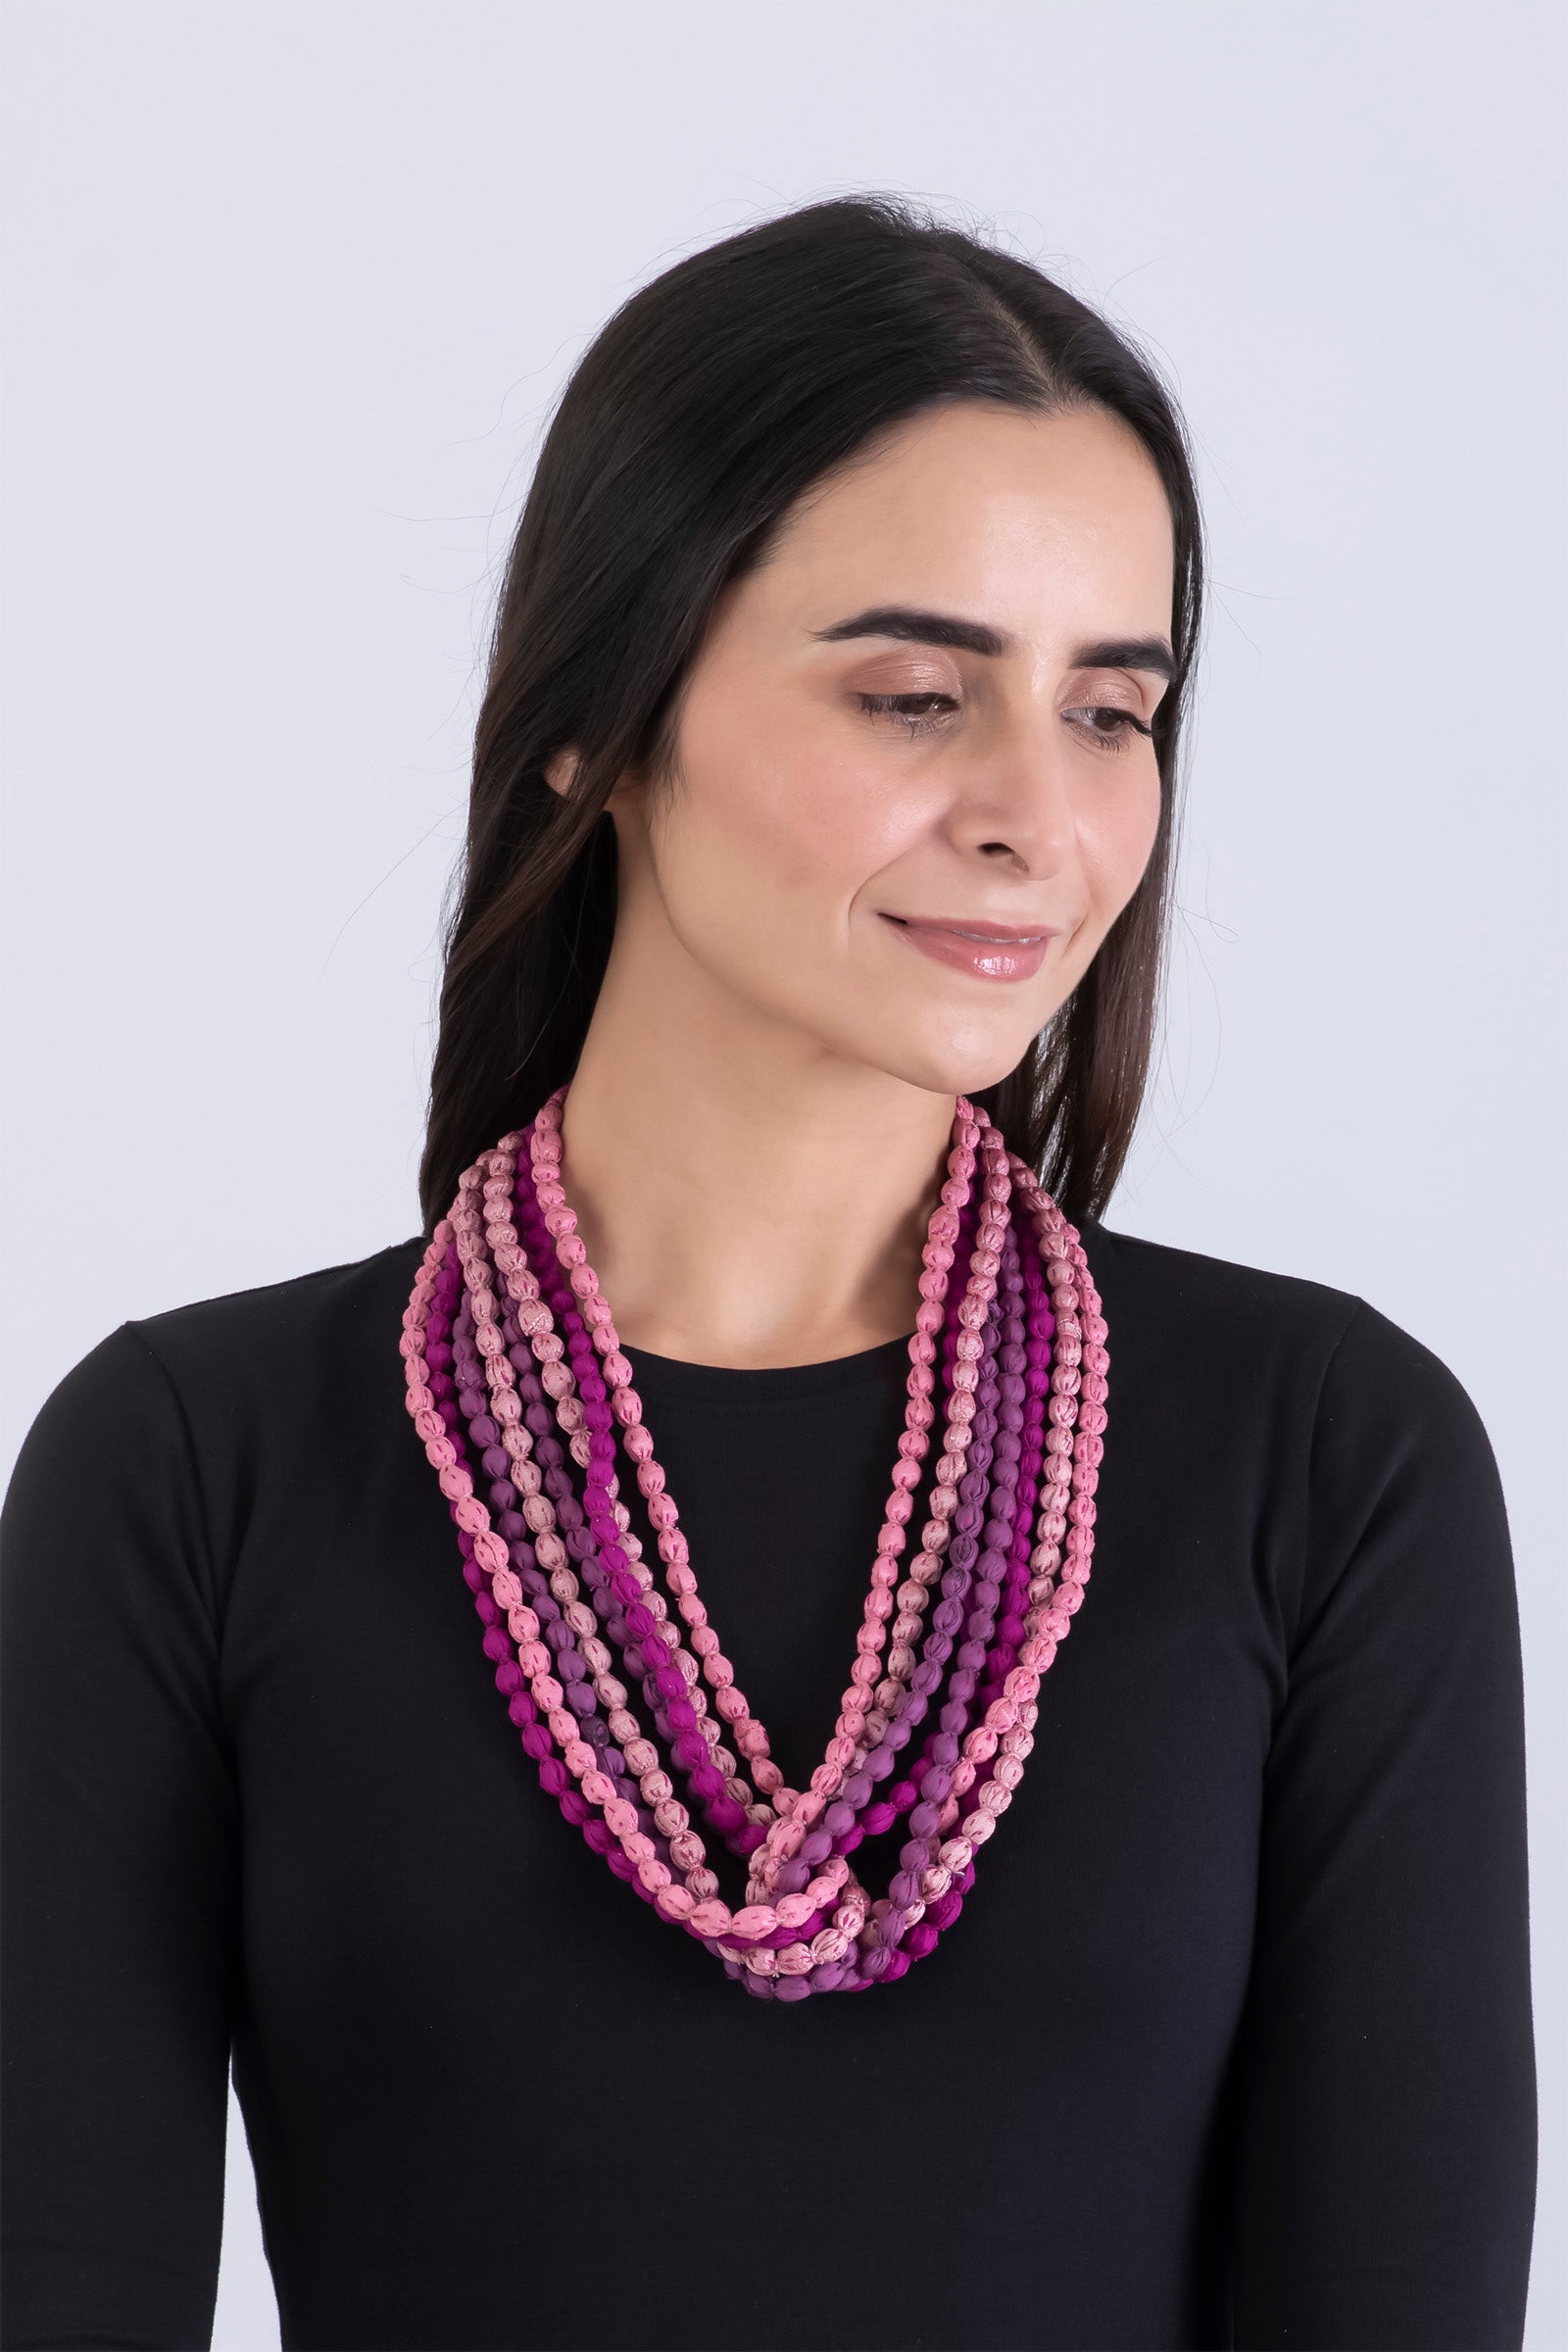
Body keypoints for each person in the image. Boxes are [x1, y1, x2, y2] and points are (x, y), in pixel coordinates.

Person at [1, 194, 1536, 2352]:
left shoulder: (1326, 1456)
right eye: (914, 695)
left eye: (1111, 711)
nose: (1036, 814)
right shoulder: (194, 1468)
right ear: (596, 719)